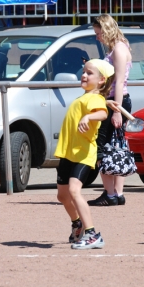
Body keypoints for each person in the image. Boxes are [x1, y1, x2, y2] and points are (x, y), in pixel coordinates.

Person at [56, 59, 118, 250]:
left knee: (74, 191)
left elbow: (102, 114)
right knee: (62, 196)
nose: (84, 75)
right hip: (68, 153)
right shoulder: (88, 97)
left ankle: (93, 235)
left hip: (83, 154)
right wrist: (103, 101)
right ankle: (77, 223)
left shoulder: (95, 100)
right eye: (83, 71)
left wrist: (88, 116)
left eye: (89, 73)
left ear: (101, 80)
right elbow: (96, 102)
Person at [88, 14, 132, 207]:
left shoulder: (119, 49)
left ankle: (110, 193)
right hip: (116, 100)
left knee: (104, 146)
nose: (97, 37)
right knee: (117, 146)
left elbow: (120, 81)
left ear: (106, 30)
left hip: (116, 101)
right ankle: (117, 193)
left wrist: (116, 110)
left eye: (99, 33)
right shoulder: (119, 46)